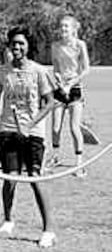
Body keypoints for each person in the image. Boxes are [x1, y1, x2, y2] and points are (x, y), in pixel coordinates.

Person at [0, 26, 55, 248]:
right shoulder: (2, 72)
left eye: (21, 43)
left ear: (28, 47)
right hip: (7, 131)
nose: (17, 47)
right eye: (14, 43)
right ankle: (8, 220)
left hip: (33, 134)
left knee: (35, 178)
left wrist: (31, 124)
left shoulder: (39, 71)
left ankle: (48, 230)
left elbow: (49, 103)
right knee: (10, 177)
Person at [47, 15, 90, 177]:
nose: (63, 29)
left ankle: (79, 164)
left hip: (75, 90)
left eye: (66, 26)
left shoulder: (80, 45)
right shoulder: (55, 46)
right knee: (55, 127)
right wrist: (58, 80)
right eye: (61, 26)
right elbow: (56, 68)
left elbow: (86, 69)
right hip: (59, 90)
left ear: (73, 29)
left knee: (74, 128)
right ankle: (55, 157)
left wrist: (70, 84)